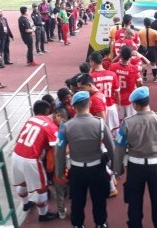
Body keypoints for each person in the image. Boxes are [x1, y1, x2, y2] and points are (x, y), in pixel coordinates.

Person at [113, 86, 157, 228]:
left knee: (134, 203)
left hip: (135, 167)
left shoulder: (127, 122)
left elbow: (119, 147)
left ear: (136, 104)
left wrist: (117, 168)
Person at [56, 91, 114, 228]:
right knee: (99, 200)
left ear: (73, 107)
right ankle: (100, 223)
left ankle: (77, 224)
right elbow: (111, 147)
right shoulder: (99, 123)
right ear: (90, 103)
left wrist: (60, 172)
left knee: (77, 201)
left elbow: (59, 151)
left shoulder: (65, 127)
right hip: (97, 169)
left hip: (77, 170)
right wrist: (115, 166)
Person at [12, 100, 63, 222]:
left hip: (16, 154)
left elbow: (18, 139)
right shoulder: (51, 126)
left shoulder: (32, 119)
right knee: (42, 188)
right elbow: (57, 150)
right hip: (31, 159)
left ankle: (25, 203)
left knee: (22, 182)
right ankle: (43, 214)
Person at [89, 51, 121, 136]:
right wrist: (118, 105)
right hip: (111, 106)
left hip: (99, 109)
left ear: (92, 62)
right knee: (115, 133)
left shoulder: (91, 77)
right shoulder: (112, 74)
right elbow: (117, 93)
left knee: (102, 133)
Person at [109, 45, 143, 120]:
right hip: (130, 99)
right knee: (131, 121)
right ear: (130, 56)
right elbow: (140, 84)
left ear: (120, 55)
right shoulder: (134, 69)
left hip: (117, 99)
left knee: (119, 121)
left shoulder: (113, 67)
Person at [138, 18, 157, 82]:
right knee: (153, 63)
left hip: (143, 49)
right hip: (152, 48)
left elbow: (138, 41)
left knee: (144, 63)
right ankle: (155, 77)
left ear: (144, 24)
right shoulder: (154, 32)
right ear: (150, 23)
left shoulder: (140, 32)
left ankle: (144, 77)